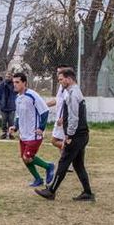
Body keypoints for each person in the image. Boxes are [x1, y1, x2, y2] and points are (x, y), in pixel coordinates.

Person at [36, 68, 94, 201]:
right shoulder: (73, 92)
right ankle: (88, 193)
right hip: (82, 134)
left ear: (69, 79)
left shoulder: (73, 94)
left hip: (76, 135)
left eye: (61, 79)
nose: (60, 82)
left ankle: (51, 191)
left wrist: (69, 135)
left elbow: (74, 117)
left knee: (63, 162)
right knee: (78, 165)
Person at [10, 72, 55, 188]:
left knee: (27, 157)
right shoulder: (18, 98)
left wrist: (41, 128)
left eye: (17, 82)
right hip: (23, 134)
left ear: (24, 83)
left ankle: (49, 167)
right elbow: (18, 115)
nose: (14, 85)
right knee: (25, 159)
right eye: (13, 82)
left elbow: (44, 111)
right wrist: (15, 127)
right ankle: (38, 179)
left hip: (34, 134)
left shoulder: (32, 95)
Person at [0, 72, 17, 139]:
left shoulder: (14, 85)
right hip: (3, 106)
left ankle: (10, 133)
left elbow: (15, 92)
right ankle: (4, 133)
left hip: (11, 106)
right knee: (4, 120)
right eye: (6, 76)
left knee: (11, 121)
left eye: (9, 77)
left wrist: (9, 85)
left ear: (12, 77)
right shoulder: (1, 85)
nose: (7, 78)